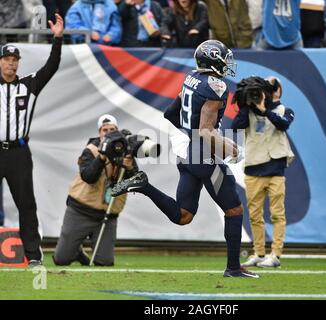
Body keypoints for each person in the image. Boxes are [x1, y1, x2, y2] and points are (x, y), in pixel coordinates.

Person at [111, 40, 259, 278]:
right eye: (224, 58)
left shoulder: (191, 78)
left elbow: (171, 113)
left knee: (183, 215)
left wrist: (192, 134)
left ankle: (143, 185)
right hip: (203, 155)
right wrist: (230, 148)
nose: (228, 63)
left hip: (190, 154)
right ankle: (233, 268)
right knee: (234, 210)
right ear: (214, 60)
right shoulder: (216, 86)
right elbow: (206, 131)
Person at [0, 13, 64, 267]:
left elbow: (52, 66)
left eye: (15, 60)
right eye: (7, 59)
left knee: (27, 204)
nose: (11, 64)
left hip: (18, 152)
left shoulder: (29, 86)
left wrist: (57, 39)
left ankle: (33, 255)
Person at [53, 115, 138, 266]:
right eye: (105, 130)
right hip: (81, 210)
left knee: (104, 262)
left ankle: (89, 249)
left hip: (108, 213)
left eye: (113, 130)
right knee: (61, 259)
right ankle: (75, 251)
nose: (109, 133)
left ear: (118, 131)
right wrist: (102, 156)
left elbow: (133, 182)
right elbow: (88, 177)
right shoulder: (91, 150)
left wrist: (130, 166)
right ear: (99, 133)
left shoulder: (125, 152)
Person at [231, 76, 295, 268]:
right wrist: (246, 104)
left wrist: (264, 110)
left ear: (278, 91)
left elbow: (283, 124)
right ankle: (259, 253)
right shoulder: (247, 112)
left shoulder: (285, 110)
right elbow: (235, 127)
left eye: (272, 87)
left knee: (277, 214)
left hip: (276, 168)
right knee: (254, 215)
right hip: (253, 168)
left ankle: (275, 255)